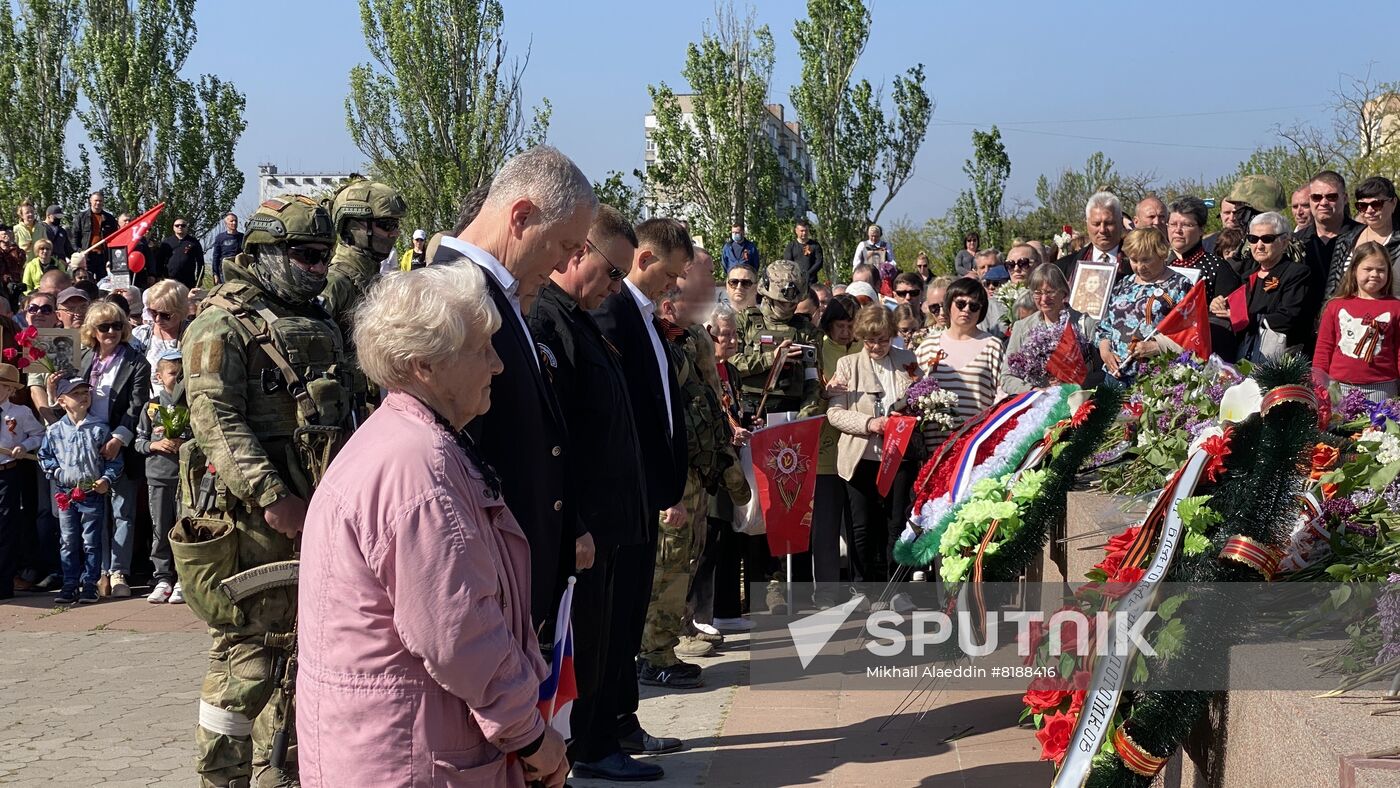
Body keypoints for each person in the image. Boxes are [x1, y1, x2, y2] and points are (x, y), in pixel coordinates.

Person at [297, 263, 569, 788]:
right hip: (407, 757)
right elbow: (459, 632)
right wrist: (531, 736)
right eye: (481, 349)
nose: (498, 365)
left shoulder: (407, 443)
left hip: (391, 744)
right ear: (425, 365)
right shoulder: (418, 468)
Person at [171, 195, 348, 787]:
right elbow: (214, 418)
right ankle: (221, 779)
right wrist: (272, 497)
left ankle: (288, 774)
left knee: (307, 658)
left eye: (326, 256)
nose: (319, 267)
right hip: (253, 525)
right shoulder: (221, 323)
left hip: (319, 511)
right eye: (306, 255)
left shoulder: (319, 319)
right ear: (264, 252)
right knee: (246, 661)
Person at [429, 146, 593, 637]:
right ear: (521, 216)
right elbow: (445, 459)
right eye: (565, 245)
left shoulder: (496, 291)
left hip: (514, 580)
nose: (567, 263)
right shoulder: (452, 297)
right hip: (487, 584)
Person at [525, 205, 659, 781]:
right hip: (586, 526)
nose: (614, 287)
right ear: (579, 253)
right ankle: (590, 747)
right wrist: (575, 519)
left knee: (607, 639)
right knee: (587, 642)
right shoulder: (549, 322)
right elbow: (557, 437)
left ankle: (602, 739)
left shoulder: (580, 319)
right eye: (611, 273)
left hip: (611, 522)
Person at [591, 217, 694, 770]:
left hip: (647, 490)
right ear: (645, 259)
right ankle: (602, 732)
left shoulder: (644, 315)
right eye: (670, 275)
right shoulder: (612, 311)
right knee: (615, 619)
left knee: (629, 613)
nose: (674, 287)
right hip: (625, 492)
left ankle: (623, 721)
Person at [826, 304, 921, 583]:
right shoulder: (847, 365)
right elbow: (834, 413)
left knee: (897, 525)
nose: (876, 345)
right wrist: (870, 424)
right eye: (869, 340)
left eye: (882, 339)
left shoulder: (907, 359)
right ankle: (862, 588)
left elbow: (922, 398)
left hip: (900, 455)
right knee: (862, 527)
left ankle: (897, 588)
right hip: (860, 457)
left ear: (892, 334)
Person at [71, 300, 150, 598]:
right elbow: (68, 401)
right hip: (87, 446)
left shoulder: (137, 362)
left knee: (122, 511)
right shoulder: (83, 360)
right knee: (93, 512)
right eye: (104, 326)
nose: (112, 332)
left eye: (118, 325)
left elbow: (137, 405)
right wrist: (56, 389)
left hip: (121, 445)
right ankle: (98, 571)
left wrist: (118, 438)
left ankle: (119, 572)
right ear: (92, 330)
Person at [39, 375, 121, 605]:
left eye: (86, 393)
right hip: (66, 492)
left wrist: (106, 479)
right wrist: (56, 473)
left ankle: (90, 585)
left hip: (91, 493)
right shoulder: (54, 431)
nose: (83, 397)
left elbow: (114, 461)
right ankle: (69, 584)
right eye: (76, 394)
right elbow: (44, 456)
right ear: (62, 401)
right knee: (67, 540)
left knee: (91, 540)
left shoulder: (100, 429)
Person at [1096, 227, 1191, 386]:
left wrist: (1156, 347)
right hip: (1115, 377)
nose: (1139, 267)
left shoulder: (1180, 286)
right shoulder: (1124, 283)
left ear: (1161, 254)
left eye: (1146, 260)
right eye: (1134, 260)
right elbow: (1105, 326)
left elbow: (1191, 334)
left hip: (1156, 379)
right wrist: (1105, 352)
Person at [1213, 212, 1311, 363]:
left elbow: (1288, 317)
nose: (1259, 245)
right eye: (1253, 239)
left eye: (1267, 239)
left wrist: (1240, 316)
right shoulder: (1247, 276)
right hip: (1245, 355)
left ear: (1284, 242)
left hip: (1279, 359)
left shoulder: (1296, 273)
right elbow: (1233, 308)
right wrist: (1219, 304)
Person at [915, 278, 1004, 442]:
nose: (967, 310)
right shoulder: (927, 347)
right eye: (961, 304)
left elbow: (1001, 396)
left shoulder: (993, 346)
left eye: (974, 306)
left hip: (974, 445)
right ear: (949, 304)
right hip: (933, 447)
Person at [134, 350, 189, 604]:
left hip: (184, 477)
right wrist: (155, 446)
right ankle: (162, 578)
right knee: (160, 528)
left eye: (182, 375)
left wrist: (184, 442)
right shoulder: (151, 406)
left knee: (183, 527)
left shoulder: (189, 406)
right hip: (157, 476)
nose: (177, 380)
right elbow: (139, 442)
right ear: (158, 376)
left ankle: (183, 579)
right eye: (172, 374)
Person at [1313, 241, 1400, 401]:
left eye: (1381, 270)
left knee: (1381, 426)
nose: (1374, 274)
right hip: (1339, 386)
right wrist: (1319, 383)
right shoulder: (1336, 306)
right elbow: (1324, 348)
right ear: (1354, 271)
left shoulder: (1396, 307)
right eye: (1368, 269)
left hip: (1383, 387)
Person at [321, 176, 408, 331]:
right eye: (386, 225)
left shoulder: (374, 282)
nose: (395, 233)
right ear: (353, 226)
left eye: (396, 224)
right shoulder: (334, 285)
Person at [1167, 195, 1244, 360]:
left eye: (1186, 225)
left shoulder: (1218, 268)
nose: (1177, 230)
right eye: (1173, 224)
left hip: (1204, 356)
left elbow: (1225, 322)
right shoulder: (1160, 267)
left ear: (1201, 229)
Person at [1001, 264, 1093, 394]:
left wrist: (1074, 385)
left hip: (1079, 402)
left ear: (1064, 292)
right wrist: (1034, 391)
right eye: (1038, 293)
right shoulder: (1021, 327)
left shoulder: (1084, 323)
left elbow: (1099, 372)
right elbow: (1007, 378)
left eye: (1050, 292)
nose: (1044, 299)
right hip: (1037, 405)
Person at [0, 362, 44, 599]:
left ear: (10, 390)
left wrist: (23, 446)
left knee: (5, 528)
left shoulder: (20, 413)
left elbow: (38, 434)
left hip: (7, 472)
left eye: (2, 386)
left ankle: (3, 583)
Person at [1327, 176, 1400, 299]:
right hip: (1346, 314)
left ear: (1393, 203)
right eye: (1362, 206)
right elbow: (1332, 288)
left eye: (1377, 204)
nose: (1369, 210)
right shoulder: (1346, 239)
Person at [1302, 171, 1361, 298]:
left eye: (1331, 197)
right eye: (1316, 197)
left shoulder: (1362, 236)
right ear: (1310, 200)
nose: (1323, 202)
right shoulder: (1296, 242)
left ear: (1344, 198)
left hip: (1347, 314)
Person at [1058, 192, 1129, 289]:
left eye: (1109, 223)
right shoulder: (1064, 267)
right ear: (1086, 224)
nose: (1102, 230)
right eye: (1096, 224)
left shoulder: (1138, 264)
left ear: (1121, 222)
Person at [133, 279, 189, 391]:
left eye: (165, 315)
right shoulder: (140, 335)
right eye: (153, 312)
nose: (157, 319)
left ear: (181, 311)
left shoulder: (193, 332)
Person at [72, 191, 119, 279]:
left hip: (103, 257)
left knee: (104, 282)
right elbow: (74, 238)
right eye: (96, 200)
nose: (98, 203)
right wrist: (80, 252)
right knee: (87, 281)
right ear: (90, 201)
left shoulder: (110, 219)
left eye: (100, 201)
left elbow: (115, 239)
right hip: (87, 256)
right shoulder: (81, 217)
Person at [155, 217, 206, 287]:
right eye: (177, 225)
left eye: (183, 225)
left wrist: (200, 277)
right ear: (173, 227)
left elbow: (200, 261)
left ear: (187, 227)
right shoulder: (166, 242)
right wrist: (158, 276)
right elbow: (160, 260)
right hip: (169, 279)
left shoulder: (194, 242)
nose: (180, 227)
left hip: (188, 280)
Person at [783, 219, 825, 285]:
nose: (804, 233)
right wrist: (798, 275)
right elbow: (788, 263)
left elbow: (819, 262)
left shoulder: (815, 245)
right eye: (802, 231)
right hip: (796, 282)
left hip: (812, 282)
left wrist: (808, 274)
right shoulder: (791, 246)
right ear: (796, 231)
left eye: (806, 230)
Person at [209, 212, 243, 285]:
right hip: (224, 271)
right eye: (231, 221)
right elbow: (216, 257)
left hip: (240, 271)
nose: (234, 223)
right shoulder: (220, 238)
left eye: (235, 221)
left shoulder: (242, 237)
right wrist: (215, 274)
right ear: (226, 223)